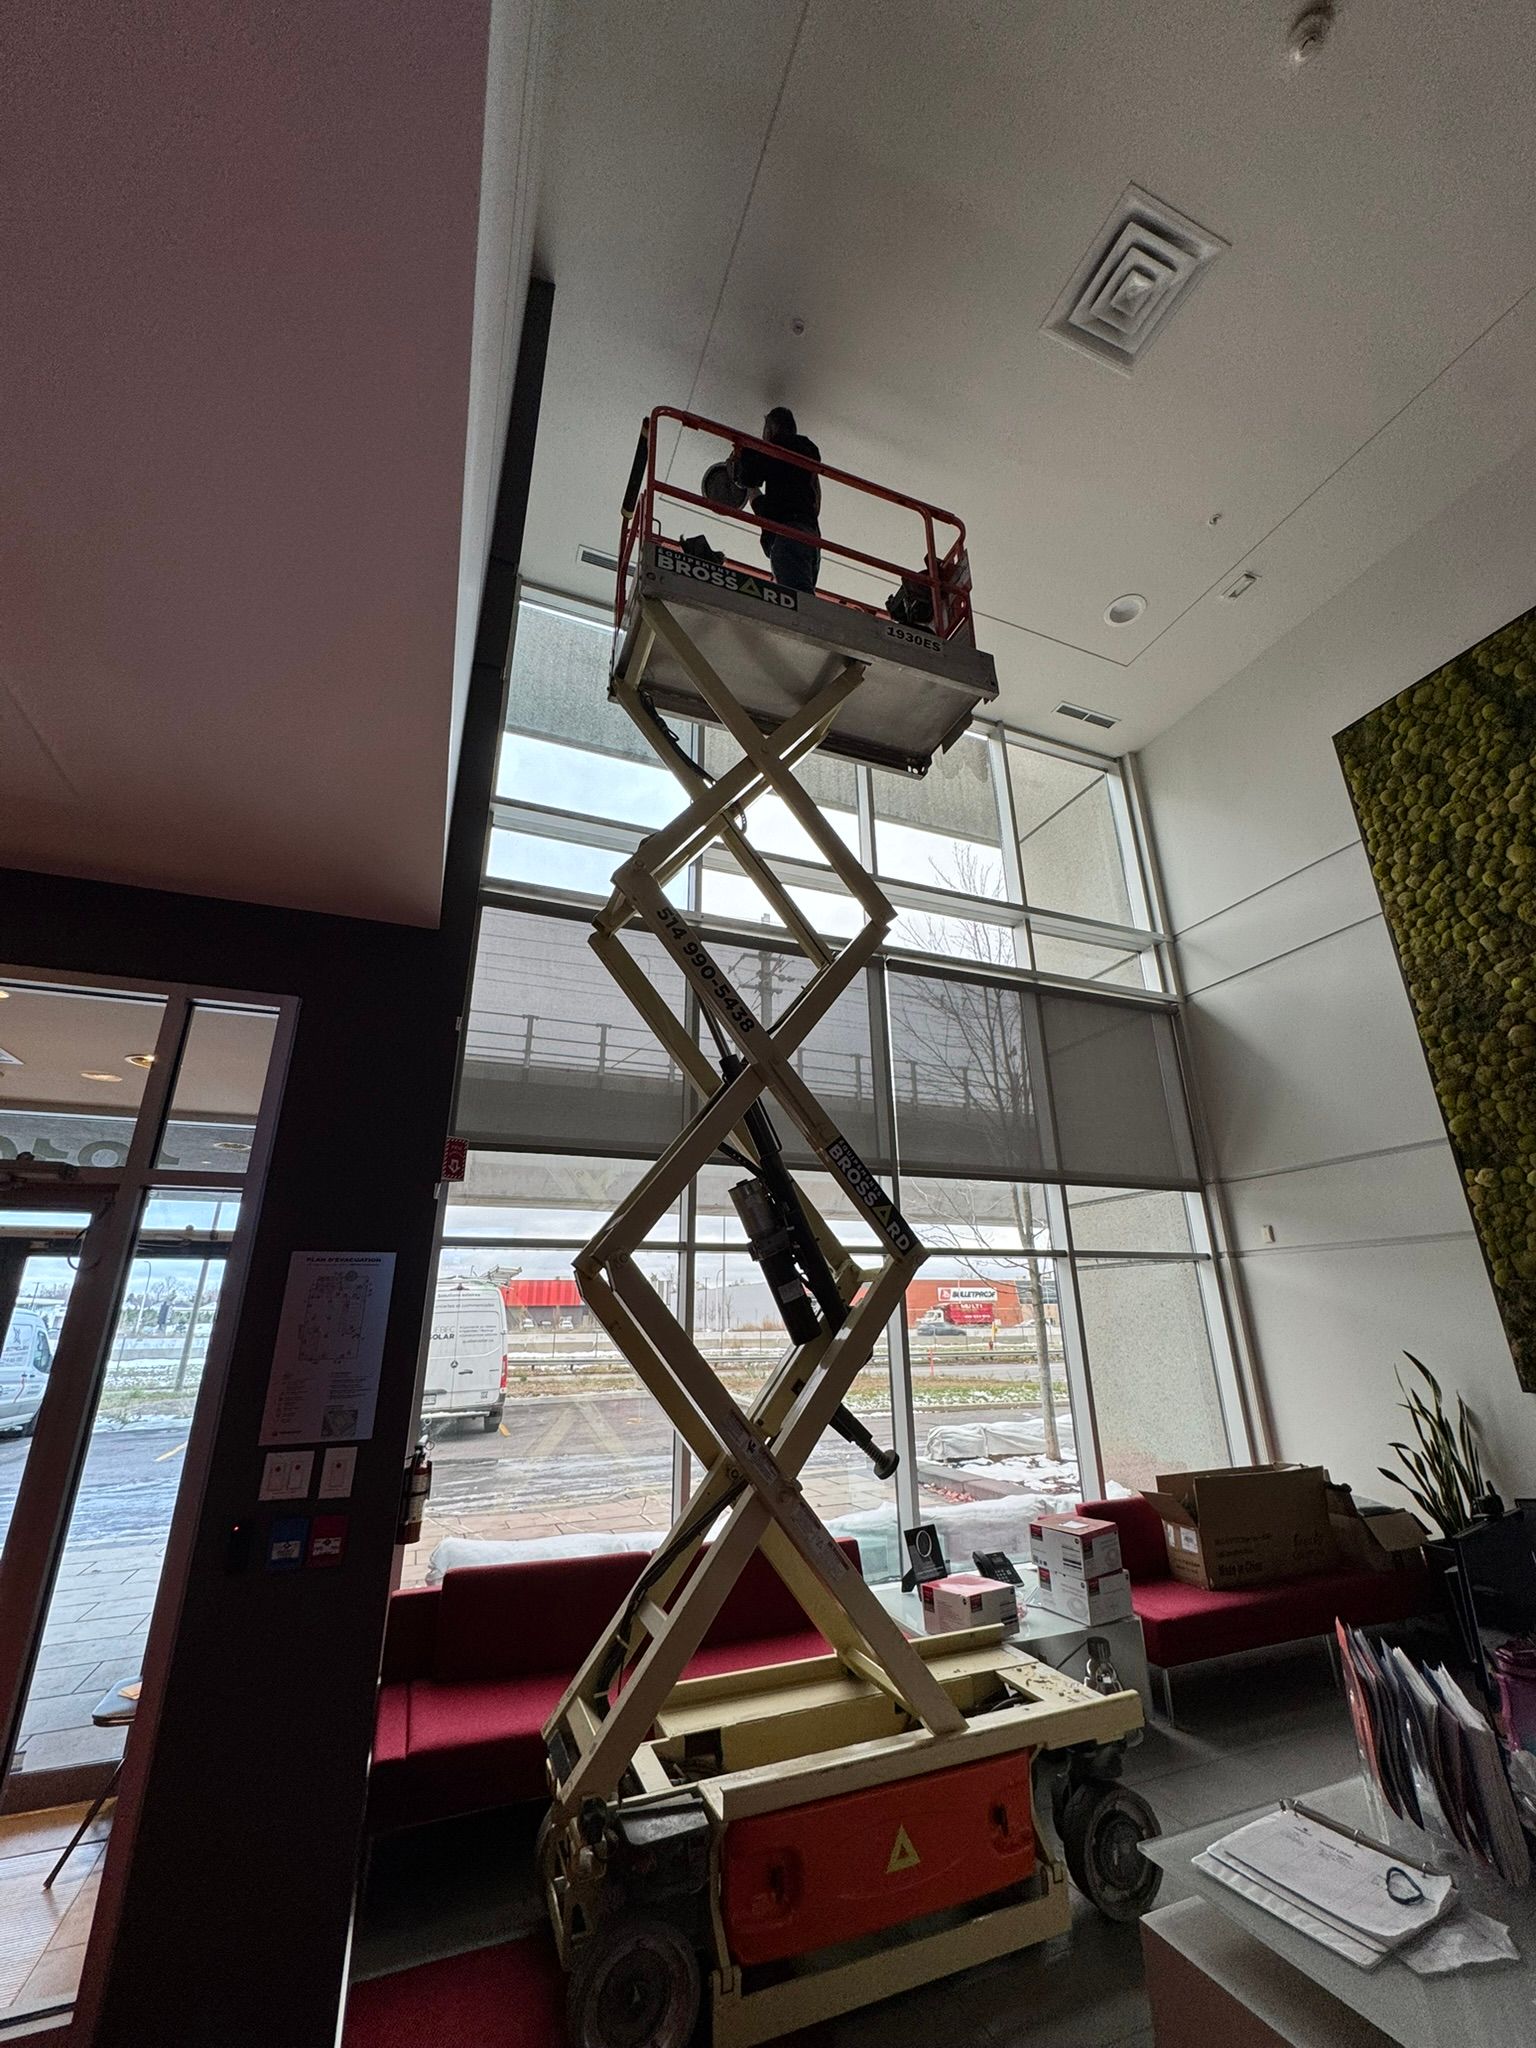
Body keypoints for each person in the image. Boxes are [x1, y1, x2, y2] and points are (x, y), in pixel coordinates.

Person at [730, 406, 821, 593]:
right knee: (801, 593)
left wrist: (742, 458)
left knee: (795, 602)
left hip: (787, 538)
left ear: (770, 429)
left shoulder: (773, 448)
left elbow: (748, 478)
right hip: (811, 538)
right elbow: (815, 500)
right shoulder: (808, 455)